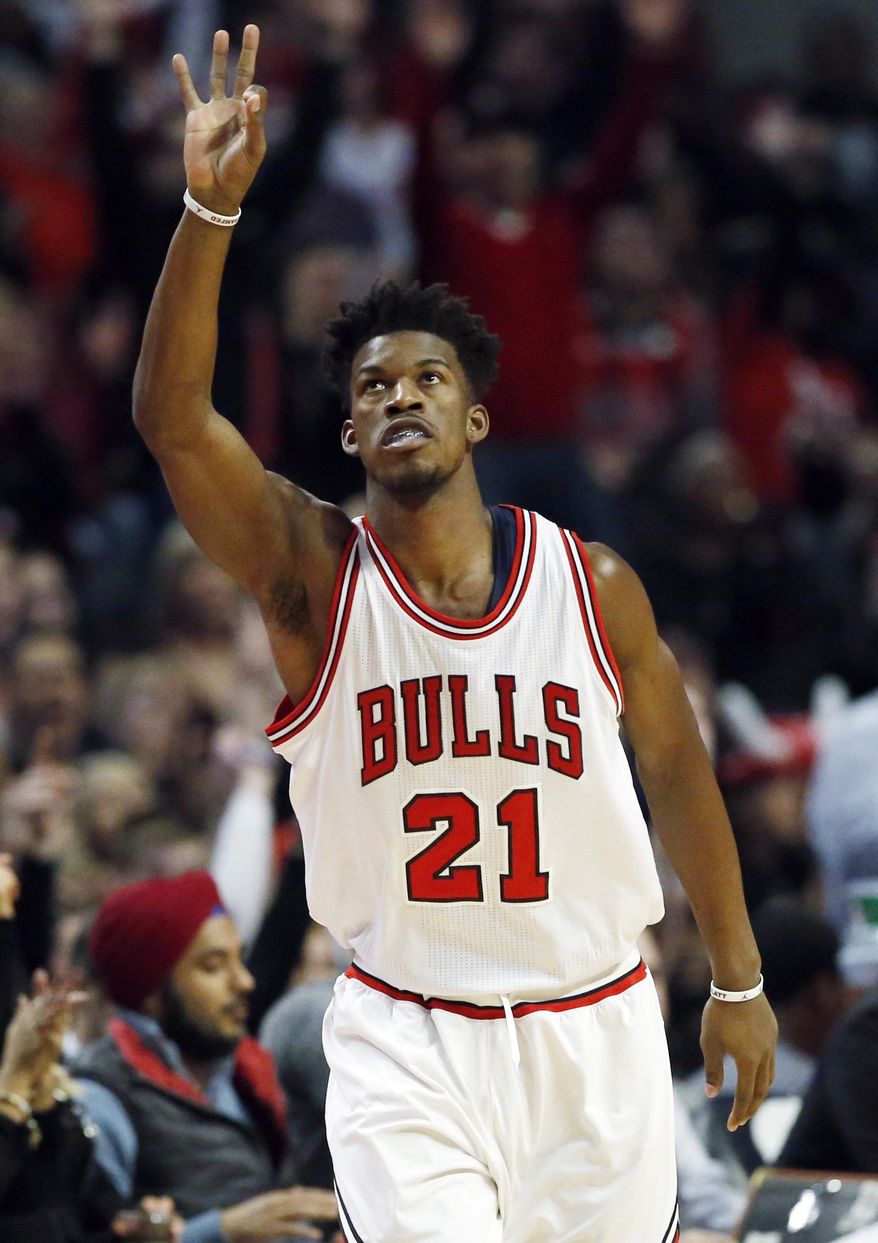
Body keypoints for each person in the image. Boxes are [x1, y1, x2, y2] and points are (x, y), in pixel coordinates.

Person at [132, 24, 777, 1241]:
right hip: (406, 1034)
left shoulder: (591, 581)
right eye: (371, 387)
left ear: (476, 419)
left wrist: (735, 978)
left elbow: (676, 768)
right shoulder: (313, 576)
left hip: (593, 1022)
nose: (397, 396)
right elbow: (171, 420)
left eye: (424, 378)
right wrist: (207, 213)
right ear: (348, 438)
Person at [75, 872, 339, 1243]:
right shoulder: (99, 1097)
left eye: (239, 959)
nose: (244, 981)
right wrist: (220, 1231)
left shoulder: (242, 1072)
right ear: (151, 987)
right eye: (213, 966)